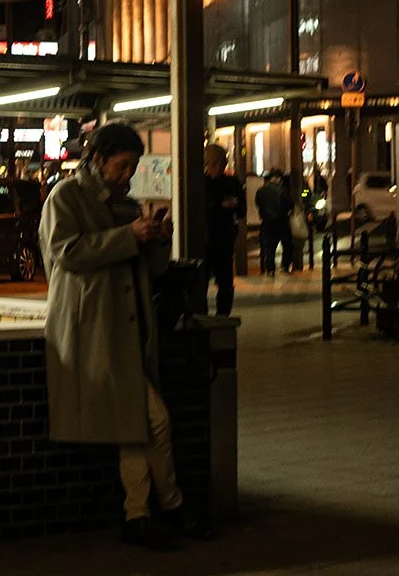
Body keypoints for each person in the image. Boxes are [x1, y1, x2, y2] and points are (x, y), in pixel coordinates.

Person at [40, 123, 210, 550]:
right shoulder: (66, 197)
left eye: (133, 166)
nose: (128, 174)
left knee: (137, 425)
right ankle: (169, 507)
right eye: (122, 165)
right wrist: (127, 236)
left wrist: (155, 239)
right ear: (97, 160)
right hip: (93, 333)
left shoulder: (129, 206)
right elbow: (66, 254)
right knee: (151, 421)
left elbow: (148, 271)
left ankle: (141, 515)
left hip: (128, 332)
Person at [202, 144, 246, 316]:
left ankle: (223, 316)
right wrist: (220, 204)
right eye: (213, 163)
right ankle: (202, 316)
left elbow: (242, 210)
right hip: (205, 239)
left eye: (221, 163)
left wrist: (235, 205)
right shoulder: (201, 183)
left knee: (226, 281)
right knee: (201, 281)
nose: (218, 168)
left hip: (224, 239)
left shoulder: (232, 182)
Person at [254, 169, 293, 277]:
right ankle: (285, 266)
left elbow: (258, 203)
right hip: (282, 221)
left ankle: (270, 269)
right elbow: (289, 204)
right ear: (278, 178)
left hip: (267, 222)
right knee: (287, 244)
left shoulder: (261, 191)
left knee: (269, 247)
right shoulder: (283, 190)